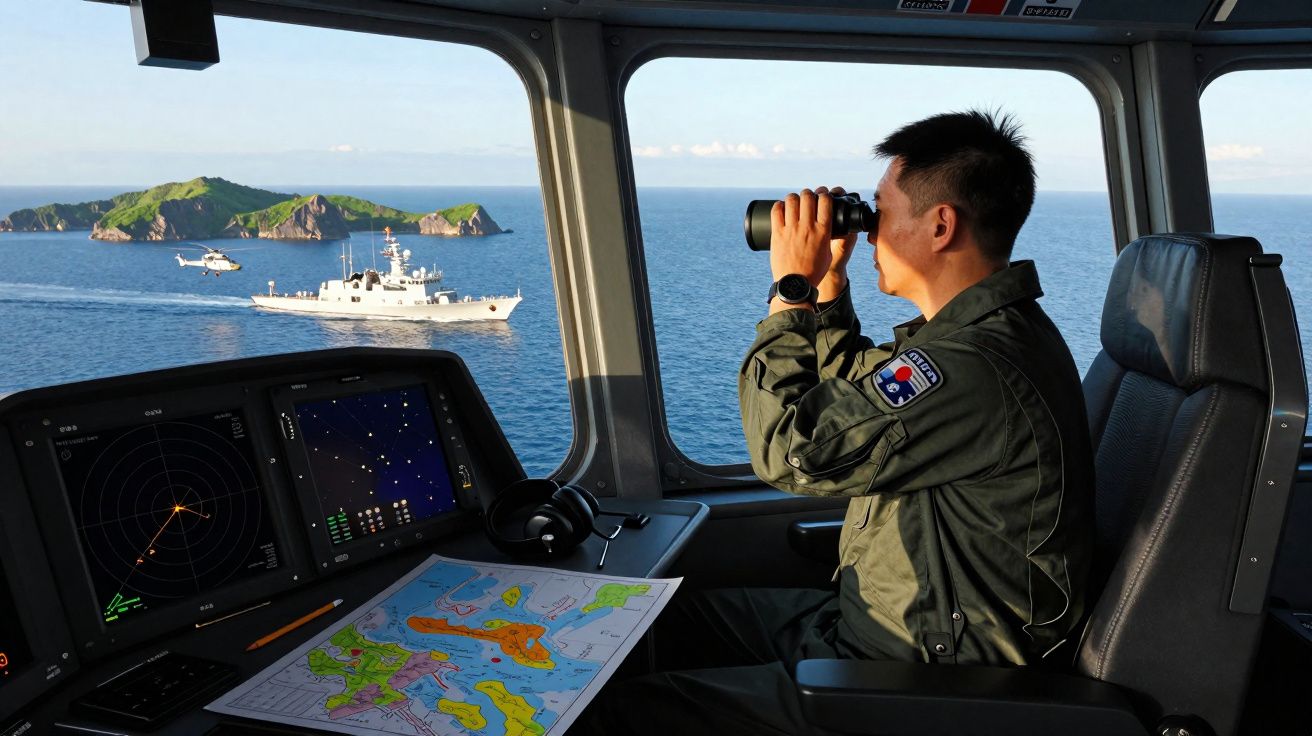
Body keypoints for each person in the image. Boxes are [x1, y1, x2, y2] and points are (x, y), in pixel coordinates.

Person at [574, 109, 1094, 735]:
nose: (870, 233)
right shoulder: (975, 338)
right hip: (882, 625)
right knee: (650, 628)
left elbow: (793, 453)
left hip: (927, 672)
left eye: (880, 213)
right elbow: (856, 398)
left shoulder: (974, 366)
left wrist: (790, 290)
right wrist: (827, 285)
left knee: (620, 714)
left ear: (940, 225)